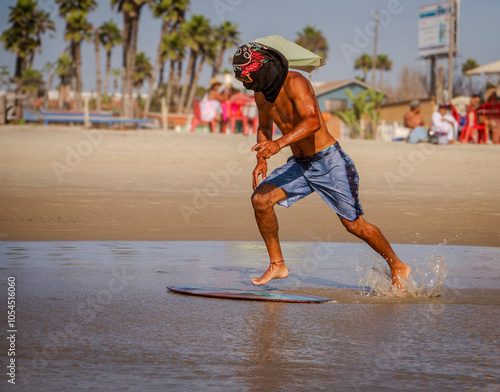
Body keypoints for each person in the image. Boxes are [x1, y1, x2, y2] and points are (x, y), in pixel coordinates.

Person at [232, 42, 411, 290]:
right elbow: (264, 128)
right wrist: (261, 159)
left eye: (249, 77)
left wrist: (279, 144)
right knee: (260, 200)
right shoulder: (260, 93)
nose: (248, 83)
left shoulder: (296, 82)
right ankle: (277, 264)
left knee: (354, 225)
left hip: (329, 161)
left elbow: (313, 120)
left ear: (262, 69)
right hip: (300, 165)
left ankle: (397, 265)